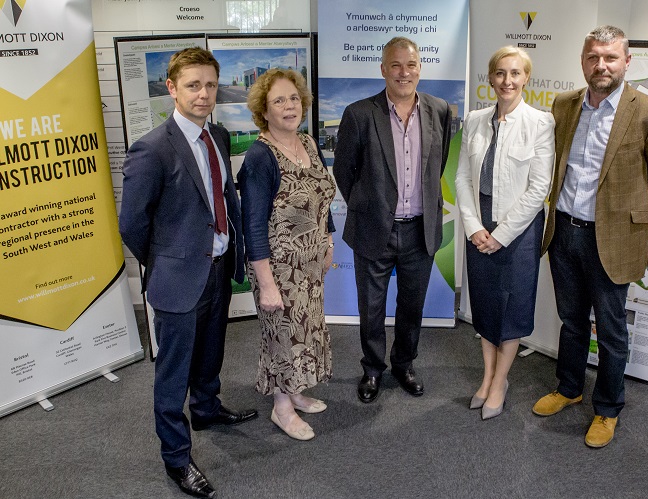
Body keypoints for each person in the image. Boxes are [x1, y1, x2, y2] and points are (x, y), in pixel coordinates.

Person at [119, 47, 258, 498]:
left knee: (210, 353)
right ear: (172, 88)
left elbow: (222, 199)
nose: (204, 94)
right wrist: (165, 262)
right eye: (194, 85)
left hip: (216, 270)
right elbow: (132, 225)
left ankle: (207, 407)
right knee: (172, 373)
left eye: (210, 85)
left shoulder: (215, 135)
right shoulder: (151, 148)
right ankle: (177, 458)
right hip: (178, 279)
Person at [532, 25, 648, 448]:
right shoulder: (564, 104)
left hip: (612, 241)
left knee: (612, 330)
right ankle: (569, 387)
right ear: (583, 61)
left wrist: (626, 218)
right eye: (594, 57)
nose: (601, 65)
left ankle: (608, 408)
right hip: (564, 232)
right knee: (572, 320)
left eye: (610, 57)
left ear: (626, 61)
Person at [333, 36, 452, 403]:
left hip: (420, 229)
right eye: (396, 65)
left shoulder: (442, 111)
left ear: (420, 68)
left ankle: (404, 364)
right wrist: (369, 205)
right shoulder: (358, 113)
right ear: (383, 69)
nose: (404, 72)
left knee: (412, 304)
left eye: (411, 65)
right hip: (373, 230)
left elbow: (440, 163)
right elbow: (343, 170)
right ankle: (372, 369)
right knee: (371, 307)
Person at [455, 47, 554, 420]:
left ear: (526, 78)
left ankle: (500, 381)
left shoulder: (540, 123)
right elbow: (463, 177)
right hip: (479, 227)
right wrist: (474, 227)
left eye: (515, 73)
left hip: (518, 233)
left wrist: (502, 234)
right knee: (483, 303)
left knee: (511, 307)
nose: (506, 81)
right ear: (490, 77)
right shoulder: (475, 119)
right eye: (499, 73)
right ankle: (487, 377)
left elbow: (538, 187)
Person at [238, 68, 336, 441]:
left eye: (293, 98)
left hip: (311, 265)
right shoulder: (259, 159)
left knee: (306, 333)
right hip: (278, 268)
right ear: (264, 109)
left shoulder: (309, 144)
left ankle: (294, 391)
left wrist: (328, 242)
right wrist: (266, 284)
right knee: (283, 338)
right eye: (279, 100)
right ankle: (282, 408)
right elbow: (253, 227)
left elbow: (323, 199)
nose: (289, 106)